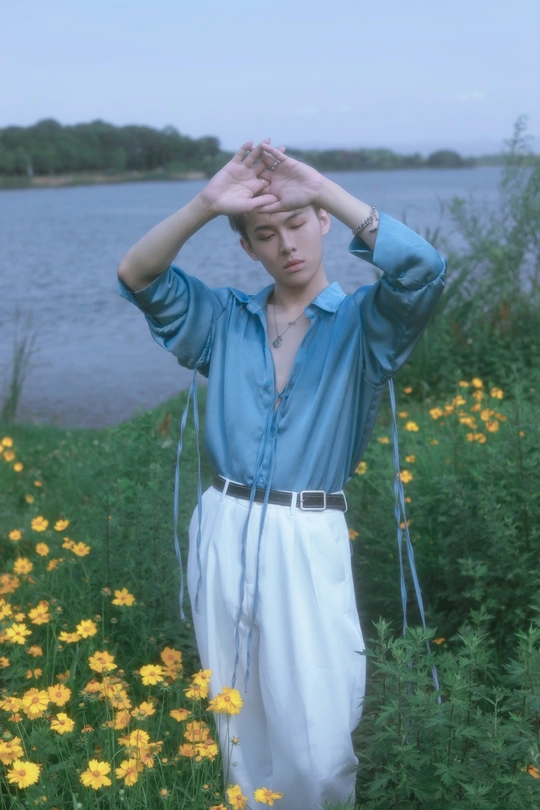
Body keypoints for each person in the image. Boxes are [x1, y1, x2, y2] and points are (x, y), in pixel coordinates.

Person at [117, 138, 446, 810]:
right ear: (248, 247)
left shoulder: (365, 325)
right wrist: (207, 204)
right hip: (223, 520)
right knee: (239, 723)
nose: (287, 245)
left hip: (306, 529)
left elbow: (423, 270)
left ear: (322, 220)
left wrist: (322, 188)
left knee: (319, 742)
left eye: (298, 223)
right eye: (266, 234)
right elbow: (138, 276)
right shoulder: (224, 321)